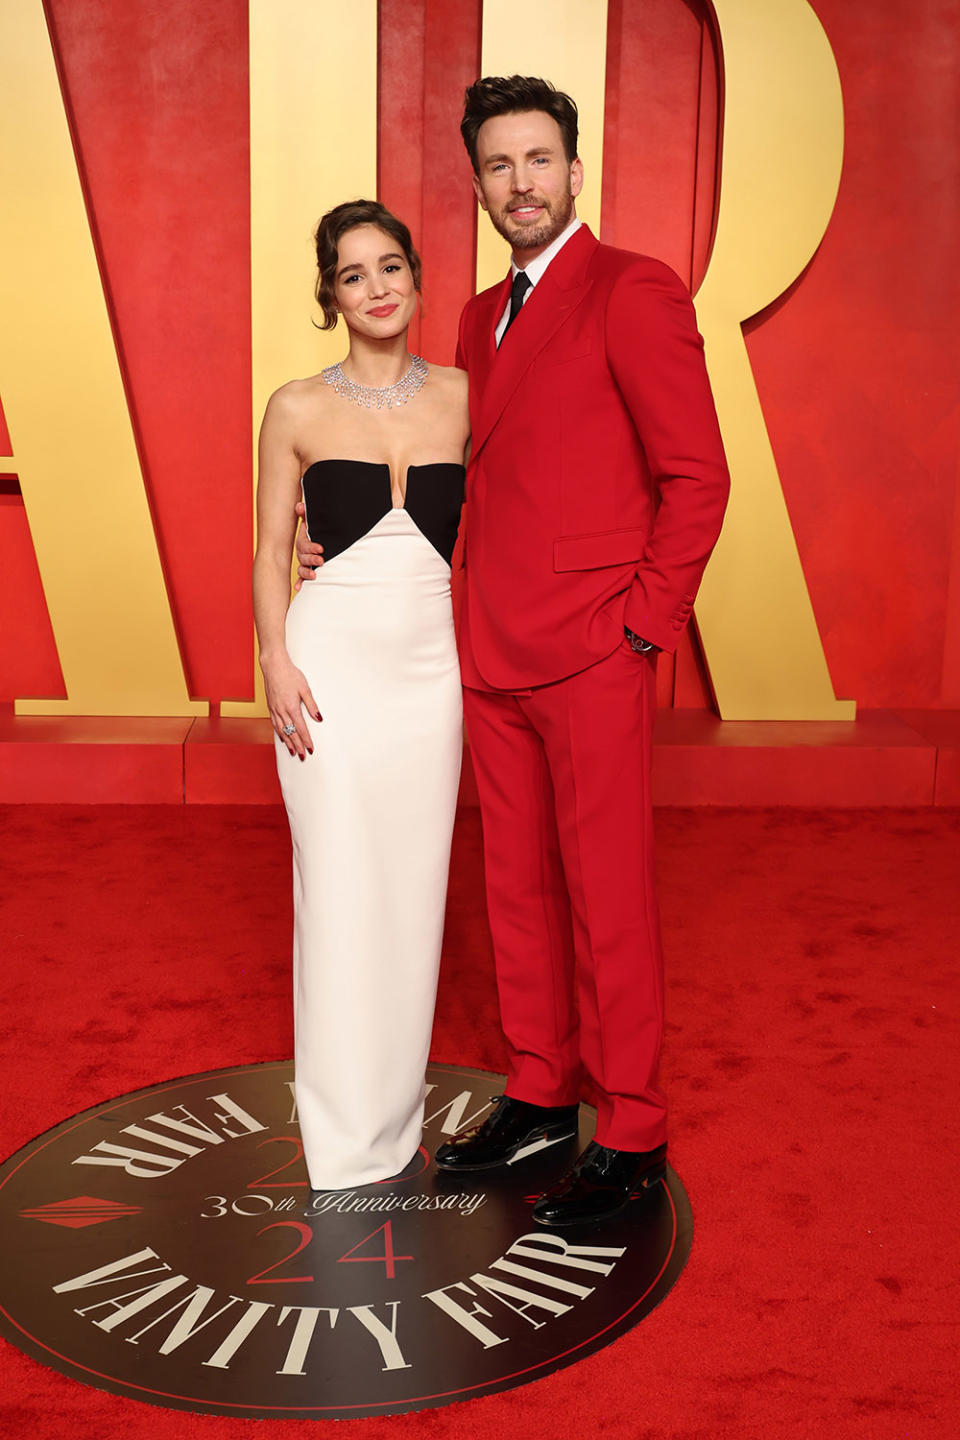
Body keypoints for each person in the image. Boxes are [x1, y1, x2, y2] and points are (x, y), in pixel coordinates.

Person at [298, 77, 730, 1226]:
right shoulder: (477, 319)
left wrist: (644, 624)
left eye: (539, 160)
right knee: (517, 892)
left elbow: (698, 477)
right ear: (481, 186)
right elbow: (470, 478)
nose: (521, 183)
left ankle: (631, 1125)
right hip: (481, 643)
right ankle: (541, 1087)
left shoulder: (633, 289)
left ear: (575, 172)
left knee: (609, 895)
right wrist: (332, 539)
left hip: (593, 646)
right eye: (499, 166)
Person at [254, 199, 468, 1190]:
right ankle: (340, 1139)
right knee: (337, 890)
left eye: (390, 267)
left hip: (431, 671)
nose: (377, 287)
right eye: (353, 273)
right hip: (327, 666)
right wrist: (274, 660)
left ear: (417, 279)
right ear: (328, 294)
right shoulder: (295, 406)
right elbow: (268, 547)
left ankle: (393, 1123)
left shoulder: (468, 396)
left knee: (414, 893)